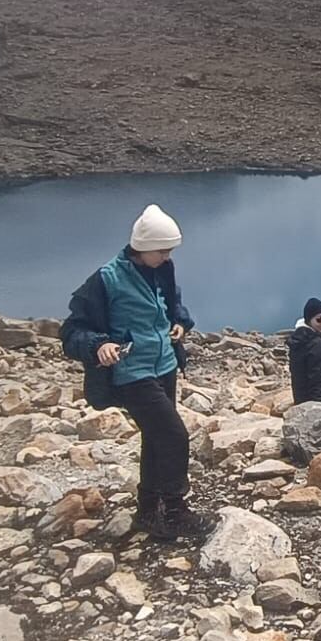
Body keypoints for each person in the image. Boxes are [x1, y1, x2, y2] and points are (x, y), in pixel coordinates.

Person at [61, 204, 216, 542]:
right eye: (162, 250)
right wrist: (98, 345)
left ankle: (148, 511)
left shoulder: (163, 269)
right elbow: (73, 330)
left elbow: (170, 305)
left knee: (156, 437)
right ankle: (175, 512)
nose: (167, 256)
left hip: (164, 363)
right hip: (132, 371)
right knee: (174, 435)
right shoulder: (106, 279)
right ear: (143, 247)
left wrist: (180, 323)